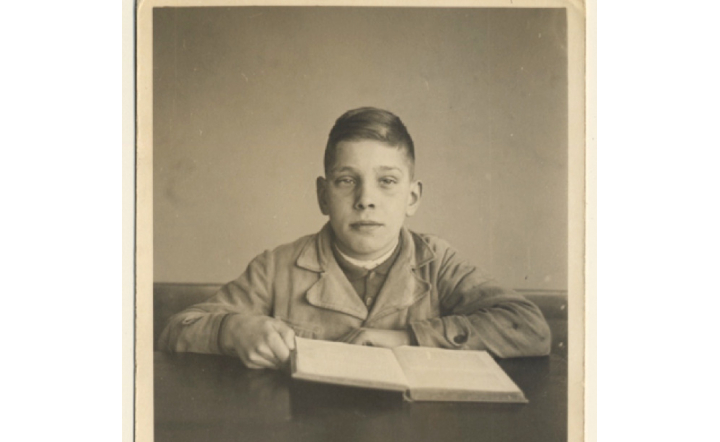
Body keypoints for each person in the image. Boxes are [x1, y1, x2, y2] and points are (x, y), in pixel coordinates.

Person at [159, 107, 551, 369]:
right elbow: (178, 328)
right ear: (323, 195)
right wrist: (231, 330)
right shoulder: (277, 268)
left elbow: (529, 327)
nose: (366, 200)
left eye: (387, 182)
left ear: (411, 197)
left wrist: (406, 339)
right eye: (347, 181)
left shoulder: (438, 263)